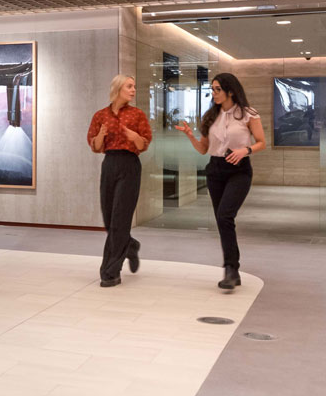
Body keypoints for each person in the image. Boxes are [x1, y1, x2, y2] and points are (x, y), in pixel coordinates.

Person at [174, 73, 265, 290]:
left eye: (217, 89)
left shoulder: (248, 114)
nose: (213, 93)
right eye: (212, 89)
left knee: (225, 215)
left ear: (230, 91)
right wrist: (189, 135)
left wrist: (246, 150)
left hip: (239, 170)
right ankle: (232, 270)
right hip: (214, 170)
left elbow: (262, 142)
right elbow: (204, 149)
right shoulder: (210, 116)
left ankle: (231, 269)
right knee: (222, 220)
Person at [87, 75, 152, 287]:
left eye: (134, 86)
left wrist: (135, 138)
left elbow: (144, 144)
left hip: (130, 165)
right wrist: (101, 135)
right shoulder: (100, 116)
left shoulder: (137, 115)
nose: (133, 90)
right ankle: (130, 245)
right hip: (109, 164)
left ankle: (110, 271)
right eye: (129, 86)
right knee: (109, 219)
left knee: (120, 220)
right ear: (118, 89)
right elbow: (95, 147)